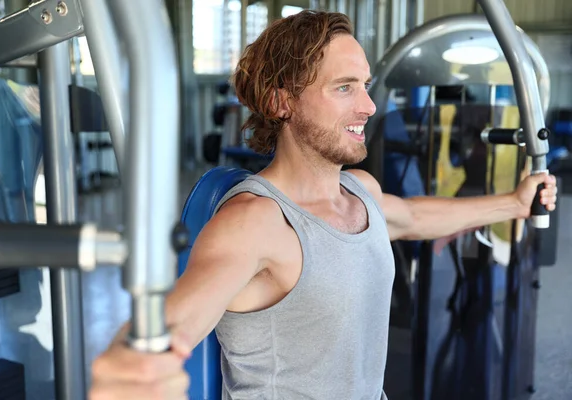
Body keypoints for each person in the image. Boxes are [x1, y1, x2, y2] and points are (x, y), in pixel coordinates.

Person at [89, 10, 558, 400]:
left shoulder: (360, 190)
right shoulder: (256, 222)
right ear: (280, 102)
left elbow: (413, 217)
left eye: (365, 85)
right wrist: (132, 363)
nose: (369, 106)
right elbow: (175, 320)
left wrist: (515, 204)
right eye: (344, 88)